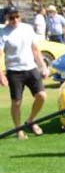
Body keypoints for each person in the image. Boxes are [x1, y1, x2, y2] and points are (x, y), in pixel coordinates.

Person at [1, 9, 50, 140]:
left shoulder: (28, 28)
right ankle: (19, 129)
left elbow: (35, 49)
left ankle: (30, 120)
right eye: (11, 18)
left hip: (31, 68)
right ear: (7, 18)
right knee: (17, 102)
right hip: (14, 71)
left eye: (17, 17)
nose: (15, 20)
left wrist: (43, 66)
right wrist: (1, 75)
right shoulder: (3, 32)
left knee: (42, 96)